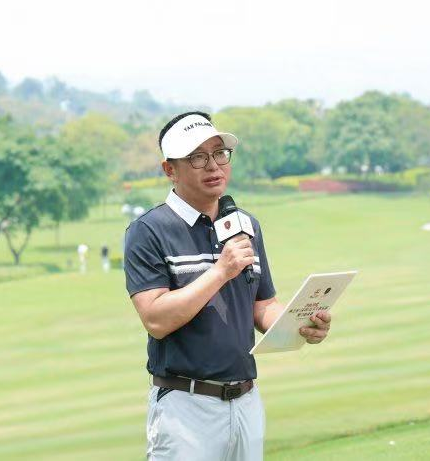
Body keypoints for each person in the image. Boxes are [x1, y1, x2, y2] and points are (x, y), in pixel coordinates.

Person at [123, 112, 333, 460]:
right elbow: (156, 319)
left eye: (219, 153)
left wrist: (300, 323)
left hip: (246, 400)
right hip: (185, 406)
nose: (213, 166)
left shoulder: (246, 224)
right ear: (170, 169)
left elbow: (262, 304)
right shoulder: (149, 230)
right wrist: (220, 271)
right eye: (197, 157)